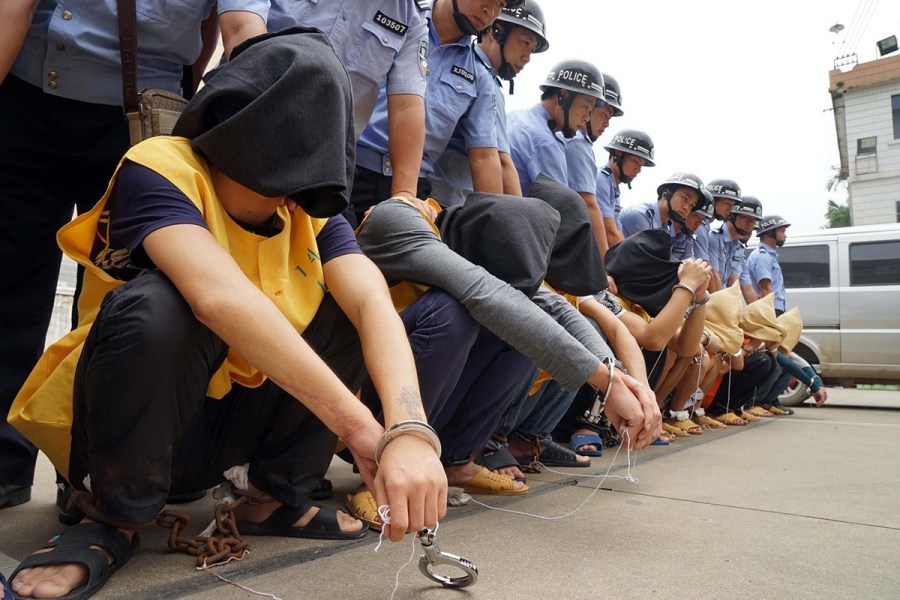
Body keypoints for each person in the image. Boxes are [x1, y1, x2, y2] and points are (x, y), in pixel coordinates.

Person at [7, 30, 446, 600]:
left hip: (226, 430)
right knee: (161, 306)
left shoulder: (309, 213)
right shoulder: (161, 167)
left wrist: (409, 430)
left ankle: (276, 494)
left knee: (347, 305)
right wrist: (365, 431)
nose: (289, 199)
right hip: (130, 427)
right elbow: (217, 298)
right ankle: (110, 516)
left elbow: (371, 303)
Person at [0, 0, 268, 512]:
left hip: (139, 123)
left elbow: (237, 27)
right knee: (9, 284)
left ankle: (87, 468)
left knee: (118, 301)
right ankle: (3, 464)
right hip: (27, 100)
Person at [349, 0, 523, 224]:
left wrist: (495, 227)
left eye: (500, 5)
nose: (491, 12)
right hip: (352, 164)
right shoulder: (398, 15)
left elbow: (485, 156)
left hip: (413, 190)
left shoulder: (479, 77)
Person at [267, 0, 431, 220]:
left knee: (346, 248)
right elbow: (243, 29)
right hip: (255, 125)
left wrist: (404, 196)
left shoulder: (410, 16)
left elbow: (407, 105)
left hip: (325, 166)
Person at [429, 0, 550, 205]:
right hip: (441, 204)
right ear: (497, 32)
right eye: (525, 43)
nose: (527, 57)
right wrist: (516, 221)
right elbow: (500, 162)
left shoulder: (483, 78)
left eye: (532, 50)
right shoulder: (482, 77)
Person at [507, 59, 606, 195]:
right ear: (564, 95)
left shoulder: (512, 116)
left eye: (590, 111)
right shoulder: (546, 143)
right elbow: (560, 209)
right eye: (585, 107)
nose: (586, 118)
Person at [562, 73, 622, 256]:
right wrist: (604, 266)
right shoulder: (579, 142)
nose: (606, 124)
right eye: (604, 115)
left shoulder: (567, 136)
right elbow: (589, 204)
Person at [595, 129, 656, 254]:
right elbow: (609, 232)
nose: (638, 170)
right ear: (618, 153)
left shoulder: (613, 187)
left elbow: (617, 232)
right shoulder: (601, 179)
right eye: (636, 161)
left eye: (642, 164)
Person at [619, 172, 704, 242]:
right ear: (666, 193)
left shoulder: (666, 226)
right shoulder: (640, 216)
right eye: (685, 199)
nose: (687, 208)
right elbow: (646, 259)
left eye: (692, 205)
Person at [708, 195, 762, 293]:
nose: (750, 223)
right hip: (711, 298)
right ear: (732, 215)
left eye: (754, 220)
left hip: (723, 298)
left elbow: (733, 282)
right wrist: (723, 304)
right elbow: (713, 275)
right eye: (746, 217)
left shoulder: (739, 248)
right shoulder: (713, 237)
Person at [696, 178, 741, 278]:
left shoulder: (705, 227)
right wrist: (719, 294)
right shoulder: (700, 227)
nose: (730, 209)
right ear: (713, 200)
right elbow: (707, 271)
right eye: (728, 204)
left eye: (733, 205)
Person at [748, 215, 791, 316]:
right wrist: (769, 317)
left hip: (775, 308)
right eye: (782, 231)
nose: (785, 236)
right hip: (771, 309)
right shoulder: (762, 256)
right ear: (769, 233)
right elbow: (765, 288)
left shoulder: (769, 255)